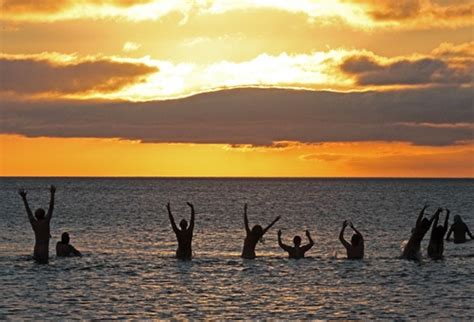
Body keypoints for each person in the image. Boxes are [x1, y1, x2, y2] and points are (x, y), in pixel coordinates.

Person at [18, 185, 56, 264]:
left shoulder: (34, 223)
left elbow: (28, 212)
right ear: (44, 215)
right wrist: (52, 194)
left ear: (36, 216)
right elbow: (51, 207)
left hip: (36, 249)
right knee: (44, 265)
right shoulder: (46, 222)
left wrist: (24, 199)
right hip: (44, 249)